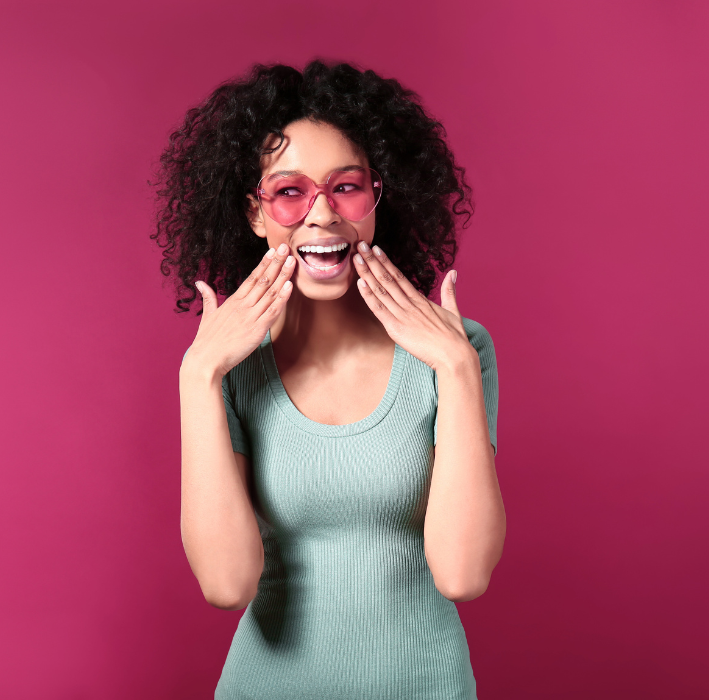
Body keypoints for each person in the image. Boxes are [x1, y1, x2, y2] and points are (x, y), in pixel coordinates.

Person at [152, 59, 504, 700]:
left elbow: (462, 572)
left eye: (346, 187)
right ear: (255, 214)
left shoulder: (459, 352)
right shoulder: (226, 370)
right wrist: (198, 375)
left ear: (378, 200)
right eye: (290, 191)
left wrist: (454, 369)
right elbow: (227, 584)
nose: (322, 215)